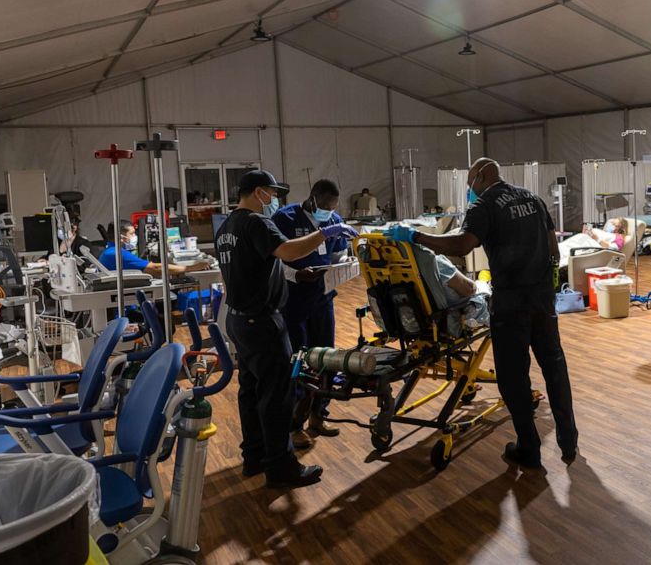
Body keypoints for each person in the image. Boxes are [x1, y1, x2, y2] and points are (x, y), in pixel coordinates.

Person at [383, 158, 578, 470]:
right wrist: (545, 285)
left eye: (470, 182)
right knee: (555, 368)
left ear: (482, 175)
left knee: (513, 378)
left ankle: (529, 449)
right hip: (542, 299)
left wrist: (415, 237)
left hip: (511, 303)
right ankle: (568, 441)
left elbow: (462, 245)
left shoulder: (484, 205)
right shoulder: (534, 198)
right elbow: (553, 249)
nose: (469, 190)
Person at [215, 170, 357, 489]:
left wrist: (293, 277)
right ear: (258, 192)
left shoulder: (226, 227)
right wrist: (326, 232)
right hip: (262, 321)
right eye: (271, 192)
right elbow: (288, 252)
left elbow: (262, 268)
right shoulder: (256, 222)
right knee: (276, 397)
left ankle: (254, 457)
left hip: (238, 320)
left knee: (250, 392)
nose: (274, 199)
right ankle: (281, 467)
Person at [271, 180, 349, 450]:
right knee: (300, 358)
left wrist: (344, 265)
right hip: (293, 299)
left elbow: (338, 253)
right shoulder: (285, 218)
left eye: (333, 208)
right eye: (325, 206)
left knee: (326, 356)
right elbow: (274, 259)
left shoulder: (335, 221)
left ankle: (319, 414)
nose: (329, 212)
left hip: (322, 297)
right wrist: (296, 274)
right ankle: (294, 423)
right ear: (313, 199)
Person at [98, 220, 210, 276]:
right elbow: (155, 268)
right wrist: (192, 267)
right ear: (120, 237)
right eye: (131, 234)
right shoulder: (116, 254)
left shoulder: (109, 251)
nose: (134, 237)